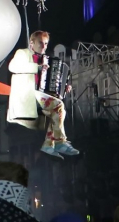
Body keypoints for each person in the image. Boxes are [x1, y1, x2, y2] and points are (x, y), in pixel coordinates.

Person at [7, 30, 78, 158]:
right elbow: (12, 67)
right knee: (58, 106)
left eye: (46, 44)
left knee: (58, 112)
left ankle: (48, 144)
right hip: (28, 95)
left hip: (39, 96)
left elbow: (50, 83)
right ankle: (60, 142)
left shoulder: (47, 59)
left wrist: (62, 88)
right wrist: (37, 66)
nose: (44, 46)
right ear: (32, 43)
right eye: (41, 43)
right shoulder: (23, 53)